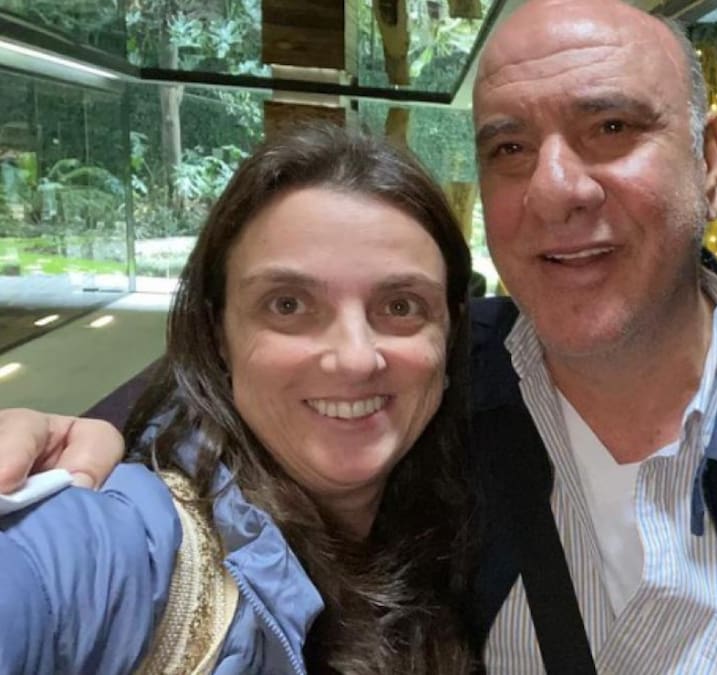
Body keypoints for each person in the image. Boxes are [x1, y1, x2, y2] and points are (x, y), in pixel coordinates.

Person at [0, 0, 717, 672]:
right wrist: (86, 435)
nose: (556, 189)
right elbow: (234, 413)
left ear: (710, 162)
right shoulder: (443, 376)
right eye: (510, 146)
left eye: (611, 128)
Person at [1, 124, 474, 673]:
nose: (354, 358)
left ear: (450, 335)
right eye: (288, 305)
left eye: (400, 306)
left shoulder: (468, 520)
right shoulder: (126, 549)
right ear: (218, 333)